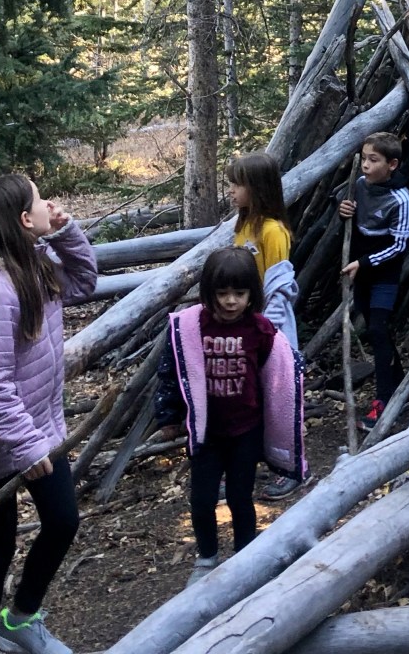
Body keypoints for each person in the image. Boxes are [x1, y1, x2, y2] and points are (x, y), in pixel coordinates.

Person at [0, 174, 98, 654]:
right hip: (0, 440)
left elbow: (84, 282)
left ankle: (19, 620)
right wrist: (27, 446)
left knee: (62, 521)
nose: (48, 203)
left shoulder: (35, 263)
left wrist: (66, 231)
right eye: (40, 200)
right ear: (22, 220)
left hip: (41, 427)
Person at [154, 247, 307, 587]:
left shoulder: (260, 330)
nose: (230, 301)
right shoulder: (191, 327)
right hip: (207, 432)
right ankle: (207, 557)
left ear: (252, 294)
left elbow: (277, 375)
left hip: (246, 431)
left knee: (240, 497)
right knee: (202, 499)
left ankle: (244, 557)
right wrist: (168, 416)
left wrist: (284, 423)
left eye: (239, 293)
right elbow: (172, 372)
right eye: (222, 293)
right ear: (208, 292)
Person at [225, 151, 302, 499]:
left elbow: (280, 289)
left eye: (238, 184)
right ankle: (246, 464)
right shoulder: (243, 227)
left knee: (280, 400)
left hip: (272, 332)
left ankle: (293, 467)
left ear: (257, 188)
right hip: (245, 328)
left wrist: (265, 333)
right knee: (248, 401)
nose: (231, 190)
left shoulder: (273, 232)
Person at [338, 131, 409, 432]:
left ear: (392, 164)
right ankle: (401, 386)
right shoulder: (359, 185)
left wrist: (365, 262)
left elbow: (398, 246)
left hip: (383, 275)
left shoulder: (402, 201)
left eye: (374, 160)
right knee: (375, 331)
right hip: (362, 274)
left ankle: (383, 401)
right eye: (364, 159)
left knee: (378, 330)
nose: (366, 165)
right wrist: (343, 209)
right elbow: (351, 215)